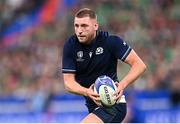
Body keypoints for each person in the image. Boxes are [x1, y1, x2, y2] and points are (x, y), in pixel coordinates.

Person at [62, 8, 146, 123]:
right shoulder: (71, 46)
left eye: (84, 26)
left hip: (113, 104)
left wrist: (122, 84)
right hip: (93, 107)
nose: (79, 30)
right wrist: (86, 92)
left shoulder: (110, 42)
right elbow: (68, 83)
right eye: (76, 26)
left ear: (95, 26)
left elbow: (139, 65)